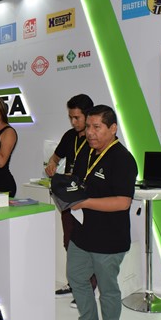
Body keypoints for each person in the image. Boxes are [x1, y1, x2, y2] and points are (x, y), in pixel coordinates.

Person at [58, 105, 137, 320]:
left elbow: (123, 202)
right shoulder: (87, 151)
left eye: (97, 127)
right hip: (83, 232)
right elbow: (80, 183)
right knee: (76, 277)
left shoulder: (123, 159)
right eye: (88, 127)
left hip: (109, 238)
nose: (90, 132)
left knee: (107, 289)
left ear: (113, 129)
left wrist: (86, 202)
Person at [44, 94, 97, 307]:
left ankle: (88, 286)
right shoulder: (69, 136)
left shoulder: (95, 138)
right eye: (70, 117)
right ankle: (75, 282)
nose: (73, 122)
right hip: (68, 198)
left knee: (89, 243)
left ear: (88, 115)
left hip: (88, 199)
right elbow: (55, 157)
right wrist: (51, 165)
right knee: (70, 242)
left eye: (77, 118)